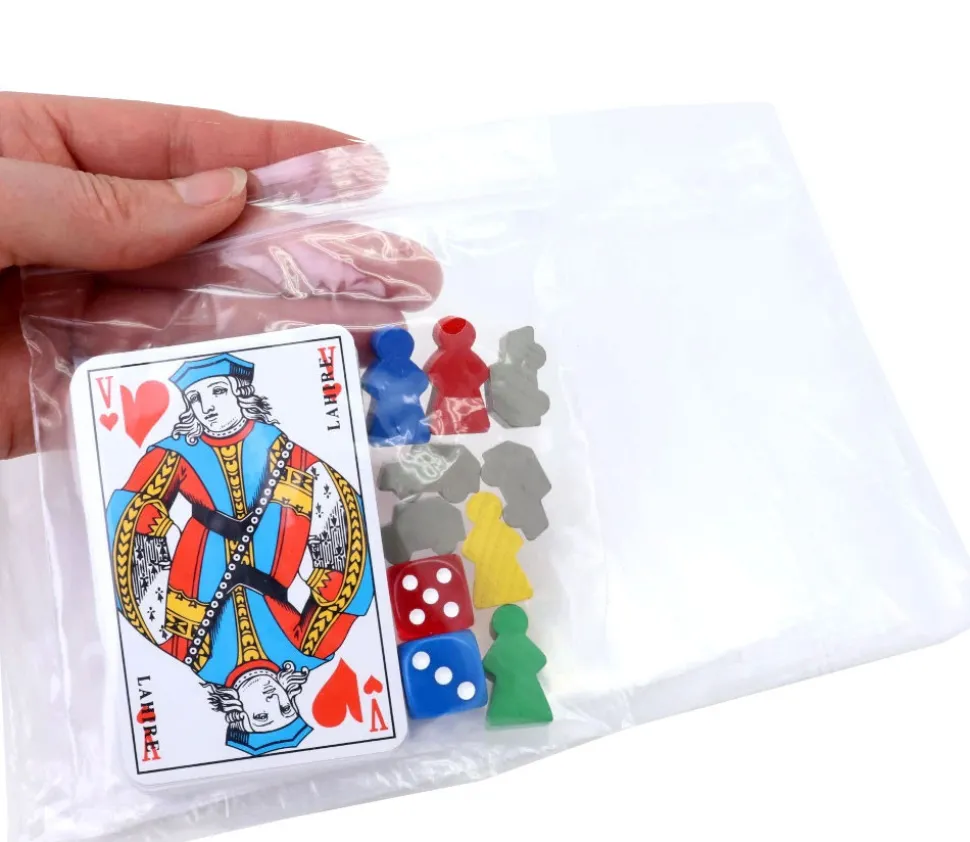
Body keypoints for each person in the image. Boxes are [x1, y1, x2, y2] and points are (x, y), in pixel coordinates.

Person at [0, 92, 443, 460]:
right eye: (197, 399)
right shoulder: (185, 450)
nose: (207, 408)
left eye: (212, 395)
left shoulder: (271, 438)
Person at [107, 352, 373, 755]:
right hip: (206, 550)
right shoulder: (311, 652)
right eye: (197, 398)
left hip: (237, 577)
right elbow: (351, 592)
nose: (271, 700)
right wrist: (154, 523)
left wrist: (323, 572)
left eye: (262, 715)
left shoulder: (199, 658)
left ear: (238, 714)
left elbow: (139, 603)